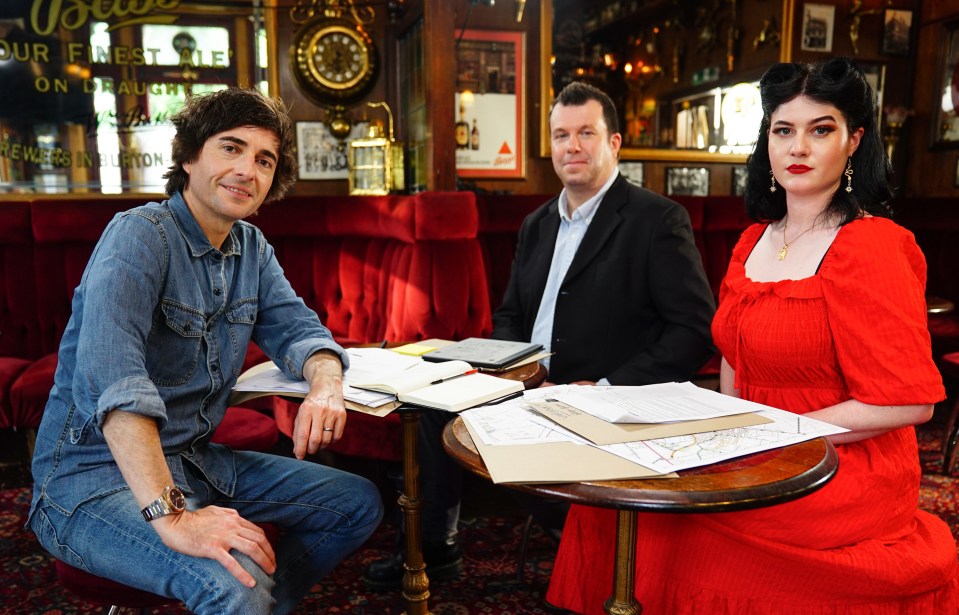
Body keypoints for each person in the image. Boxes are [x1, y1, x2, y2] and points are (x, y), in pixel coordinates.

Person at [547, 58, 959, 614]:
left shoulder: (873, 245)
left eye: (821, 130)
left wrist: (782, 432)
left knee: (682, 520)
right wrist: (722, 434)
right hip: (757, 445)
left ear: (854, 141)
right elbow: (734, 360)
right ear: (766, 140)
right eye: (783, 130)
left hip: (840, 464)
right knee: (609, 493)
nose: (799, 148)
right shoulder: (751, 243)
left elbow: (910, 403)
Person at [27, 88, 383, 615]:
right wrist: (175, 518)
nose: (248, 169)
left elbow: (300, 331)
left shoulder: (252, 250)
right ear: (190, 157)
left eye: (265, 160)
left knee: (357, 504)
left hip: (195, 463)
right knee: (234, 585)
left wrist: (326, 385)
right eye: (231, 148)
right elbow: (116, 387)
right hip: (90, 481)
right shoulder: (138, 237)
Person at [362, 81, 716, 591]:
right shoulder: (537, 223)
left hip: (601, 394)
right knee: (430, 401)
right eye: (561, 135)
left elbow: (694, 331)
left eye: (586, 133)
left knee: (526, 446)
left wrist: (604, 388)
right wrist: (502, 371)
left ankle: (589, 553)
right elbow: (510, 315)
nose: (572, 146)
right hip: (526, 383)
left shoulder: (656, 219)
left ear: (614, 143)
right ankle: (435, 547)